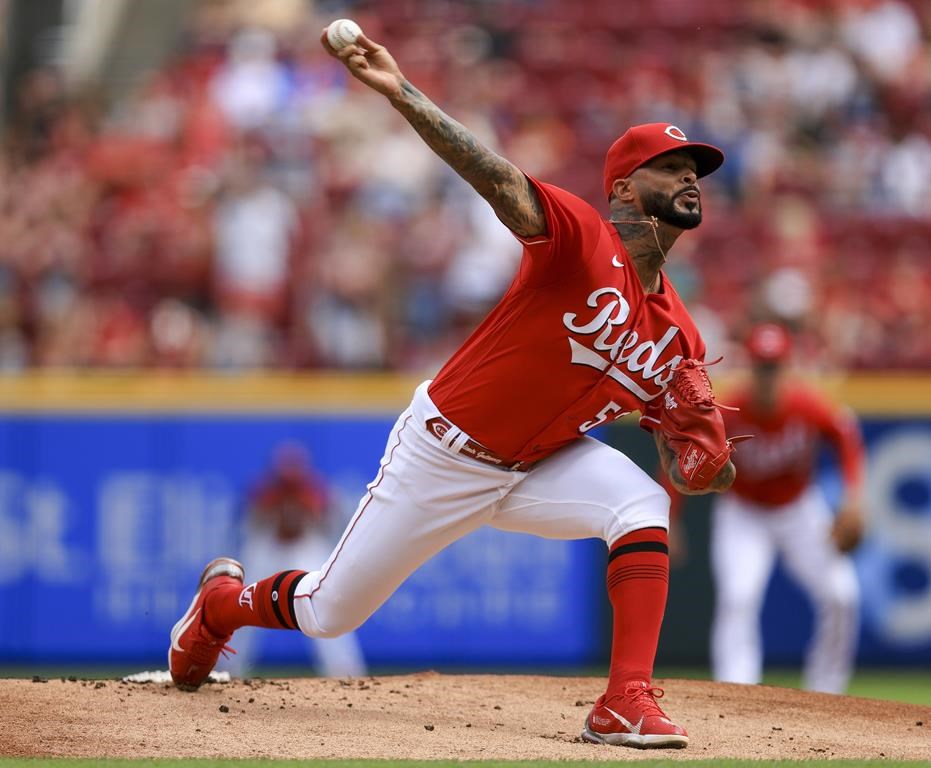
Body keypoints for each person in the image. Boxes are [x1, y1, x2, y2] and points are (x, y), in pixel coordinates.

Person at [168, 26, 738, 750]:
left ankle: (623, 700)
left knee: (640, 503)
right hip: (444, 453)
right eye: (669, 165)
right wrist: (399, 91)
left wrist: (707, 465)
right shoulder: (580, 237)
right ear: (624, 187)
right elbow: (495, 176)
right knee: (328, 612)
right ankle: (220, 605)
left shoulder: (679, 334)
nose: (689, 176)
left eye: (695, 168)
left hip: (541, 464)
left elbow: (688, 468)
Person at [706, 322, 865, 693]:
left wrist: (854, 497)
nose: (768, 375)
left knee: (842, 596)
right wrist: (674, 516)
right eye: (762, 366)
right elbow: (682, 458)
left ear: (786, 366)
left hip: (798, 509)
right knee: (737, 596)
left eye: (774, 366)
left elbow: (845, 435)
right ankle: (735, 690)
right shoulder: (730, 409)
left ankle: (828, 690)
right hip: (743, 513)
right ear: (751, 366)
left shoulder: (805, 404)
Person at [224, 442, 367, 679]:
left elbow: (334, 524)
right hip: (269, 546)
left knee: (327, 604)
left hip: (305, 546)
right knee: (245, 604)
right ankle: (229, 668)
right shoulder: (265, 491)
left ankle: (344, 671)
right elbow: (247, 526)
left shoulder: (316, 490)